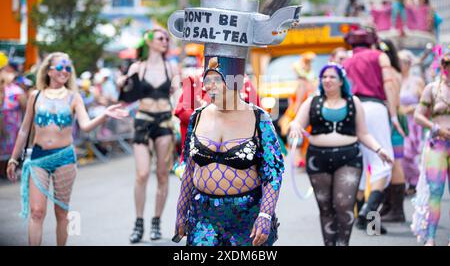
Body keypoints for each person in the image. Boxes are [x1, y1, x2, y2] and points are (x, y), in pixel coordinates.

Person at [6, 52, 128, 246]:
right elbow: (23, 130)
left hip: (64, 158)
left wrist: (104, 115)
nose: (65, 72)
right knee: (37, 212)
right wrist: (13, 159)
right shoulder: (35, 96)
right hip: (38, 158)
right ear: (49, 70)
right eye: (61, 67)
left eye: (68, 68)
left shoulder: (74, 97)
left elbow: (86, 125)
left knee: (62, 212)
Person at [173, 55, 284, 246]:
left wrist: (265, 215)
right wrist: (181, 213)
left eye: (216, 80)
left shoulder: (259, 118)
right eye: (206, 80)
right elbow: (190, 170)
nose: (209, 86)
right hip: (203, 219)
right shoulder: (197, 117)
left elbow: (273, 173)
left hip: (247, 218)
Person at [289, 63, 393, 246]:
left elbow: (363, 133)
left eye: (332, 77)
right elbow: (296, 122)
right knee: (326, 208)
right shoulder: (312, 101)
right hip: (317, 159)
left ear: (341, 81)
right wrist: (296, 127)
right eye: (324, 77)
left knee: (344, 206)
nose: (327, 80)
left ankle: (343, 244)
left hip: (349, 158)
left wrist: (379, 149)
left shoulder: (354, 102)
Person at [117, 28, 178, 243]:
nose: (165, 41)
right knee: (142, 174)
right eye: (161, 38)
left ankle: (156, 222)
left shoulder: (171, 67)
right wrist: (121, 84)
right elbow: (125, 94)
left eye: (167, 39)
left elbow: (178, 96)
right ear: (149, 41)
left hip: (164, 121)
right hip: (143, 120)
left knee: (162, 174)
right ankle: (138, 222)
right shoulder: (138, 67)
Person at [342, 28, 404, 234]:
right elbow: (389, 86)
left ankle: (368, 221)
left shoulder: (346, 61)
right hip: (375, 107)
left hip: (352, 108)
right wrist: (394, 115)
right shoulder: (380, 56)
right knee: (383, 163)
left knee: (361, 164)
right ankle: (368, 213)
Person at [413, 51, 450, 246]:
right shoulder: (432, 89)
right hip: (438, 145)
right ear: (441, 65)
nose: (448, 68)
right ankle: (431, 237)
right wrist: (435, 127)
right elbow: (418, 115)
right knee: (435, 191)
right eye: (445, 63)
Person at [377, 39, 408, 223]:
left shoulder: (391, 74)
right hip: (393, 117)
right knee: (390, 161)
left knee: (395, 163)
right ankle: (389, 205)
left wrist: (391, 117)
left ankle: (397, 209)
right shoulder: (394, 72)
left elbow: (393, 101)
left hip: (392, 119)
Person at [398, 50, 424, 196]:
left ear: (408, 64)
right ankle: (409, 180)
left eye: (403, 62)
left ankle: (415, 180)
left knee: (409, 153)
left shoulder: (417, 81)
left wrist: (412, 108)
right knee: (400, 154)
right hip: (399, 121)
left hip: (413, 122)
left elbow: (425, 101)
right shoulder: (395, 79)